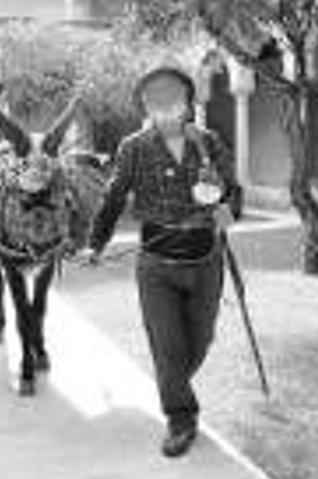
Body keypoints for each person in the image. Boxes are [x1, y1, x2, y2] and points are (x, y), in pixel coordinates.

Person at [86, 66, 242, 458]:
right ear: (146, 106)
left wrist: (227, 211)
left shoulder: (209, 142)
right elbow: (113, 198)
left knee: (200, 340)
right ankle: (180, 416)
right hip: (156, 263)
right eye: (156, 101)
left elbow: (233, 191)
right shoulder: (133, 147)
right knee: (168, 347)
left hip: (206, 259)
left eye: (173, 99)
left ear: (188, 102)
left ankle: (171, 382)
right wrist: (96, 244)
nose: (166, 108)